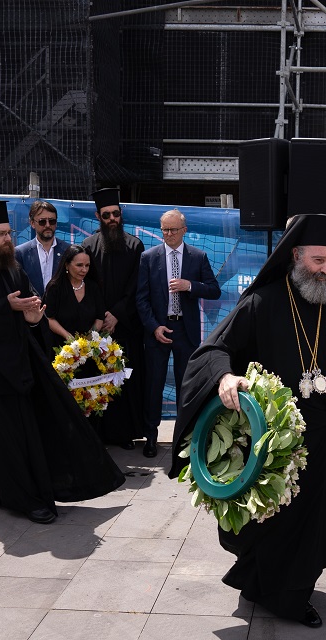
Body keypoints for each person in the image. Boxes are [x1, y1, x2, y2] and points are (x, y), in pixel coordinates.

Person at [169, 214, 326, 628]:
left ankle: (293, 595)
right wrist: (225, 376)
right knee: (271, 520)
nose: (325, 270)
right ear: (296, 255)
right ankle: (264, 582)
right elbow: (213, 350)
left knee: (310, 522)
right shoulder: (263, 301)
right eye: (318, 260)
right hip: (274, 438)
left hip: (324, 433)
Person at [0, 200, 124, 524]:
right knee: (3, 438)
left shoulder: (12, 267)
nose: (7, 239)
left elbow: (30, 309)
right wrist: (5, 305)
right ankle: (25, 499)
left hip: (16, 365)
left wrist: (31, 316)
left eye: (8, 233)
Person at [136, 209, 220, 459]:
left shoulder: (198, 256)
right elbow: (141, 299)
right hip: (158, 330)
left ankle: (185, 437)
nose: (169, 234)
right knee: (154, 385)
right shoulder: (148, 258)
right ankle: (151, 436)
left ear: (184, 230)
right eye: (165, 229)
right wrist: (154, 327)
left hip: (186, 330)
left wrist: (190, 286)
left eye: (173, 229)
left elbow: (214, 290)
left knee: (187, 386)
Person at [81, 187, 146, 449]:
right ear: (98, 215)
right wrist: (102, 316)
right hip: (98, 326)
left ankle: (124, 434)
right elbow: (87, 286)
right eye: (106, 215)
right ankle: (98, 434)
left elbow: (136, 286)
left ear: (121, 215)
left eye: (115, 214)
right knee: (98, 379)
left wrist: (117, 314)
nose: (111, 219)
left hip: (126, 325)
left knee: (125, 380)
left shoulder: (135, 245)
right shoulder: (87, 247)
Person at [43, 245, 105, 342]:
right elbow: (49, 318)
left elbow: (99, 318)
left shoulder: (93, 287)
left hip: (88, 348)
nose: (84, 270)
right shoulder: (55, 288)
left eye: (87, 265)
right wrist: (68, 337)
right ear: (67, 265)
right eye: (79, 265)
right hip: (61, 347)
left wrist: (88, 339)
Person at [14, 200, 67, 295]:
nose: (47, 225)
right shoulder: (21, 253)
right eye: (42, 222)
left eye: (52, 221)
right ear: (32, 223)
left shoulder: (67, 250)